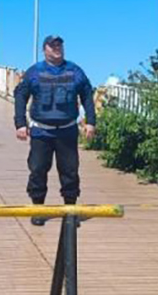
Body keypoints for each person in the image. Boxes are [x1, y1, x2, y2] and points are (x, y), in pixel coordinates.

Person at [13, 35, 96, 226]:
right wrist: (20, 123)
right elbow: (20, 96)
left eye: (59, 45)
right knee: (37, 170)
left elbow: (87, 95)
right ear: (45, 49)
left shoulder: (75, 71)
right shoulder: (34, 72)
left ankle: (70, 211)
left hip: (67, 131)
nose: (57, 48)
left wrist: (90, 122)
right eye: (53, 45)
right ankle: (38, 210)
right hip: (41, 132)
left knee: (70, 171)